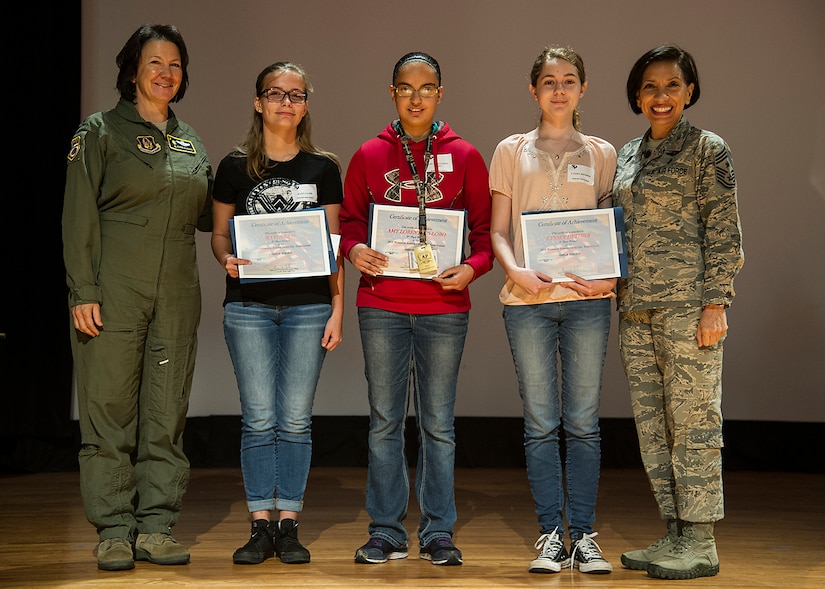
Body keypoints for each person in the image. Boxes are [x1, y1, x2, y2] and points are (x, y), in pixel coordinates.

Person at [61, 24, 212, 571]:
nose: (165, 73)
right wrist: (84, 289)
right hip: (113, 292)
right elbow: (77, 216)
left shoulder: (189, 141)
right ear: (131, 70)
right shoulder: (99, 133)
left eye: (174, 63)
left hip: (176, 295)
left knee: (165, 411)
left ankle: (156, 526)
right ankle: (113, 529)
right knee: (109, 413)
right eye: (154, 62)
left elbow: (210, 217)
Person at [339, 51, 493, 567]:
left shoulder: (466, 155)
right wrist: (354, 249)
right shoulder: (368, 154)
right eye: (405, 87)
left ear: (440, 94)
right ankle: (385, 529)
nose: (416, 96)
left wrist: (472, 267)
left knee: (438, 423)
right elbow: (352, 225)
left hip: (444, 305)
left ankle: (437, 531)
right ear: (392, 93)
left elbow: (485, 238)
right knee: (384, 420)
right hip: (381, 302)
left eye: (427, 88)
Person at [613, 45, 744, 580]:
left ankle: (701, 540)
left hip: (690, 308)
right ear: (636, 94)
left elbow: (725, 232)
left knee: (693, 424)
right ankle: (674, 532)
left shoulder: (707, 149)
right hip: (635, 308)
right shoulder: (627, 153)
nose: (660, 96)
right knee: (653, 425)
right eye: (649, 86)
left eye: (671, 85)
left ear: (690, 91)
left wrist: (717, 303)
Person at [210, 61, 344, 566]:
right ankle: (258, 526)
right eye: (275, 93)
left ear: (306, 104)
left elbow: (333, 244)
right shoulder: (233, 166)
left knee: (294, 420)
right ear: (258, 102)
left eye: (296, 94)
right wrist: (225, 258)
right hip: (248, 308)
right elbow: (220, 234)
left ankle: (288, 523)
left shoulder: (323, 167)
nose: (286, 102)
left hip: (309, 307)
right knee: (258, 418)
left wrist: (337, 309)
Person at [489, 46, 616, 575]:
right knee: (541, 423)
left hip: (587, 303)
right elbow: (497, 230)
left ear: (583, 89)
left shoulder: (603, 152)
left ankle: (583, 534)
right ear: (533, 90)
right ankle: (550, 535)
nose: (558, 89)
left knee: (583, 423)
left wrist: (610, 276)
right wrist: (515, 271)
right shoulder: (509, 150)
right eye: (548, 80)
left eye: (568, 80)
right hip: (528, 301)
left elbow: (612, 230)